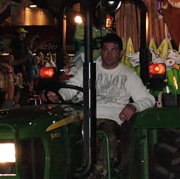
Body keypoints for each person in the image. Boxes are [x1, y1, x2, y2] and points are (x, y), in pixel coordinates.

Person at [47, 33, 154, 170]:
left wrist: (134, 106)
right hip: (84, 117)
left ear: (121, 53)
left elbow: (148, 99)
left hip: (110, 120)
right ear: (101, 52)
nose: (109, 54)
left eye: (113, 50)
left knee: (102, 135)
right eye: (105, 50)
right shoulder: (88, 69)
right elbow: (71, 88)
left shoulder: (128, 75)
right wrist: (59, 96)